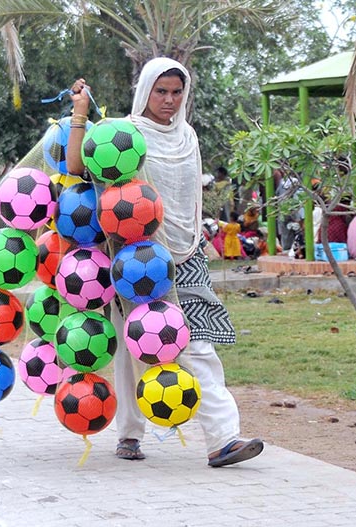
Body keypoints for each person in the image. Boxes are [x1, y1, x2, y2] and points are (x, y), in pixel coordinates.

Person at [66, 58, 264, 467]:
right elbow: (75, 167)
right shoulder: (124, 134)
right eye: (161, 91)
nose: (169, 100)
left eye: (176, 92)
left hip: (186, 253)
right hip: (135, 257)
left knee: (197, 346)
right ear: (145, 92)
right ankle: (129, 434)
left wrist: (195, 242)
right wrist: (80, 114)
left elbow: (186, 197)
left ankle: (223, 438)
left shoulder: (187, 135)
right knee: (130, 348)